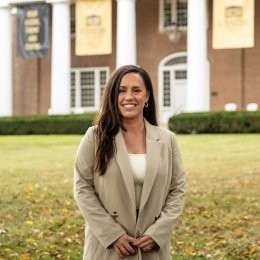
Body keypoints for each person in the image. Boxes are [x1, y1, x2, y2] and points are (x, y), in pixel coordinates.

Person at [74, 65, 185, 260]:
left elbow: (177, 191)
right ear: (113, 96)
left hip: (152, 247)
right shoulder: (95, 136)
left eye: (136, 90)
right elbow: (82, 187)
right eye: (121, 91)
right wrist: (112, 234)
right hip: (107, 247)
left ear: (147, 96)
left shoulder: (167, 140)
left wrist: (157, 232)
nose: (128, 97)